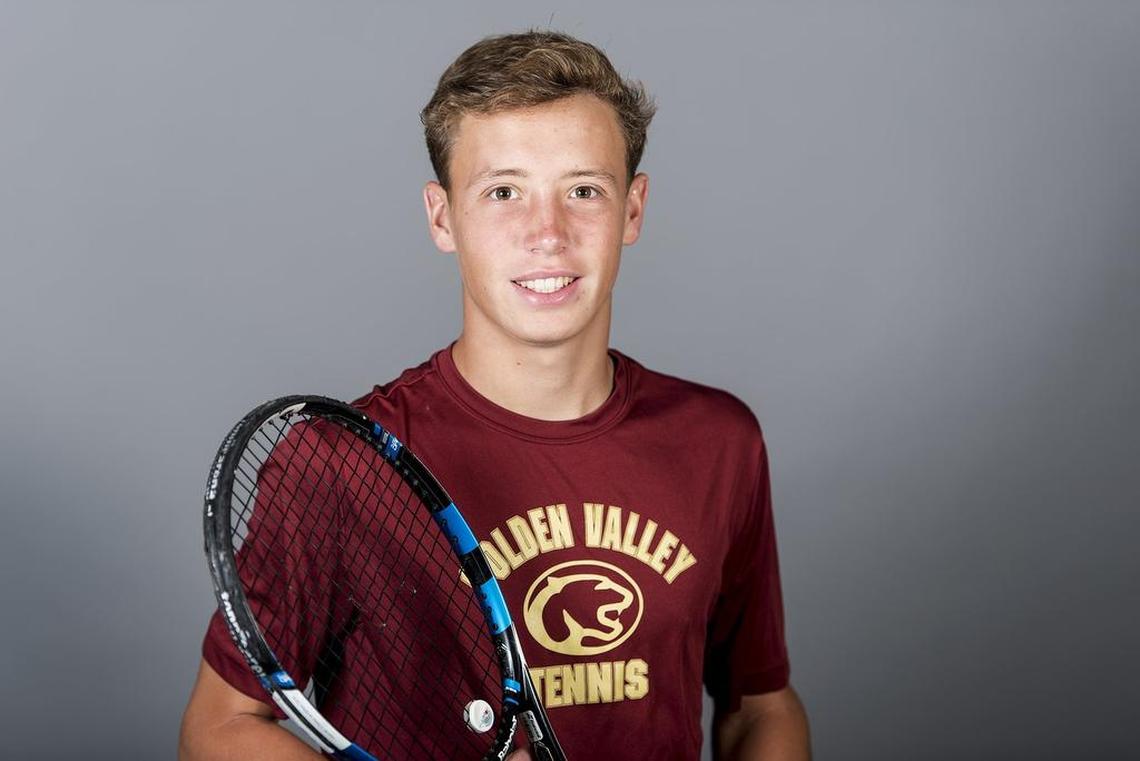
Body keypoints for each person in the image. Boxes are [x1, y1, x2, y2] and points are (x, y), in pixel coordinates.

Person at [180, 29, 810, 760]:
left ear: (633, 210)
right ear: (443, 217)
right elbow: (218, 726)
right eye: (503, 192)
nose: (547, 234)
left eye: (584, 190)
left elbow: (760, 706)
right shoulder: (339, 461)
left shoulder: (718, 441)